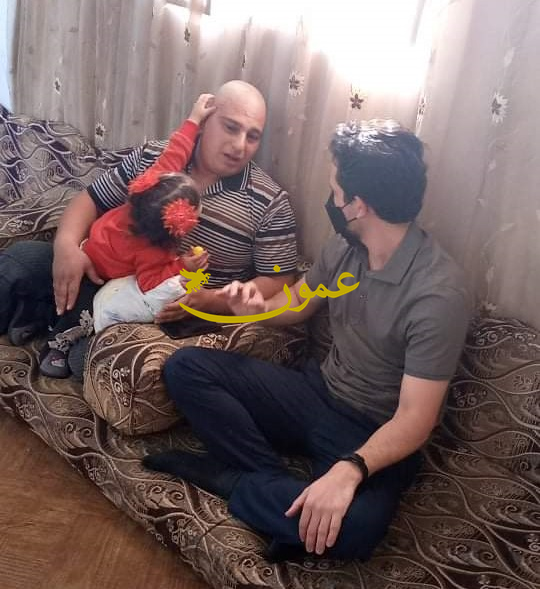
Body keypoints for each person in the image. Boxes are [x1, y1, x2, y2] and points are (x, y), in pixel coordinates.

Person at [142, 120, 471, 562]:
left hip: (374, 433)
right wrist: (251, 307)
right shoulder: (346, 247)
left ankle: (233, 481)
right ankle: (277, 490)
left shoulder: (438, 294)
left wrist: (350, 469)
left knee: (356, 530)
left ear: (358, 205)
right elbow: (297, 303)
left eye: (336, 191)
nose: (331, 199)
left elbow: (415, 419)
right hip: (315, 394)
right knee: (186, 368)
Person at [0, 80, 297, 379]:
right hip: (99, 269)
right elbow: (89, 200)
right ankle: (42, 316)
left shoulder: (268, 201)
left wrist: (212, 299)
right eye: (231, 127)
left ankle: (46, 320)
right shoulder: (156, 158)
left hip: (152, 307)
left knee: (87, 361)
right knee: (19, 261)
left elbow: (279, 278)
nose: (240, 146)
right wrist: (66, 247)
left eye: (253, 136)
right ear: (206, 121)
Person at [37, 94, 215, 378]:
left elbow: (175, 153)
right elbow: (149, 281)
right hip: (96, 276)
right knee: (77, 310)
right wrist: (183, 265)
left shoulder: (147, 192)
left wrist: (193, 119)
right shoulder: (154, 251)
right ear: (178, 230)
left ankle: (32, 320)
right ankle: (55, 347)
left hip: (90, 248)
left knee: (78, 342)